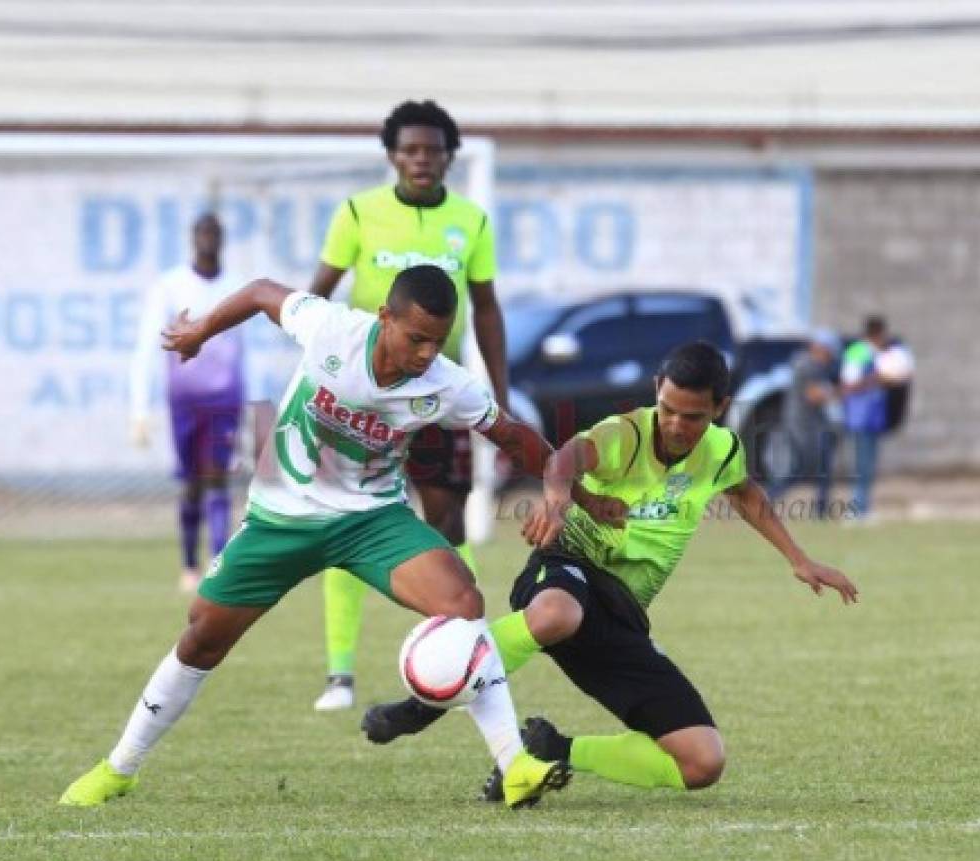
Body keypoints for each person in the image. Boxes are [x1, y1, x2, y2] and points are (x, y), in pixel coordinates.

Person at [60, 265, 578, 810]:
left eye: (437, 341)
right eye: (416, 338)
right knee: (202, 637)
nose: (427, 354)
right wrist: (200, 332)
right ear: (385, 319)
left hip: (371, 521)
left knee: (462, 599)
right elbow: (261, 292)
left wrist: (562, 491)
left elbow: (514, 435)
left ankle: (514, 764)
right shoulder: (333, 329)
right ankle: (120, 768)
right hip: (282, 516)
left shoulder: (446, 382)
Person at [361, 341, 858, 798]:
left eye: (693, 416)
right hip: (568, 566)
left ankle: (553, 749)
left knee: (702, 762)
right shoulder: (626, 434)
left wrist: (799, 558)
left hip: (620, 615)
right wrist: (556, 503)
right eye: (667, 409)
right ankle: (426, 702)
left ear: (720, 409)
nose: (676, 425)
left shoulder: (721, 450)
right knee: (556, 613)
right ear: (655, 394)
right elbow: (564, 460)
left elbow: (745, 492)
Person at [306, 99, 510, 711]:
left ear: (449, 156)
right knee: (344, 524)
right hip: (362, 400)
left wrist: (496, 388)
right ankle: (339, 674)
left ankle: (467, 653)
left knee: (447, 523)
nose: (422, 159)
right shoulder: (356, 214)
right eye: (411, 150)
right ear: (393, 155)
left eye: (433, 150)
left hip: (434, 398)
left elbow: (487, 306)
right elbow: (316, 298)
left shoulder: (470, 221)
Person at [129, 213, 246, 592]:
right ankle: (189, 564)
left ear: (223, 239)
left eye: (215, 232)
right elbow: (149, 345)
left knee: (218, 478)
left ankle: (218, 562)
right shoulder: (170, 286)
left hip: (225, 399)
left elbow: (248, 349)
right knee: (192, 483)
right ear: (193, 238)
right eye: (203, 232)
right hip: (184, 400)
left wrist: (259, 403)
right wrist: (139, 408)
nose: (209, 239)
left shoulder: (236, 287)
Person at [840, 316, 915, 521]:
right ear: (878, 334)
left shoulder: (880, 354)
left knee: (869, 466)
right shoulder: (858, 352)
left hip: (873, 417)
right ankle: (855, 510)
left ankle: (863, 508)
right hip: (860, 417)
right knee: (862, 466)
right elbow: (849, 385)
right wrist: (877, 378)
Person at [766, 329, 843, 520]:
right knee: (798, 472)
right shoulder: (808, 366)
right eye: (829, 353)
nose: (830, 358)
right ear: (820, 349)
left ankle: (821, 510)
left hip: (809, 427)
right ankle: (764, 501)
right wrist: (839, 392)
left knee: (819, 470)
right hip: (804, 428)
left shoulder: (809, 365)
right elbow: (814, 396)